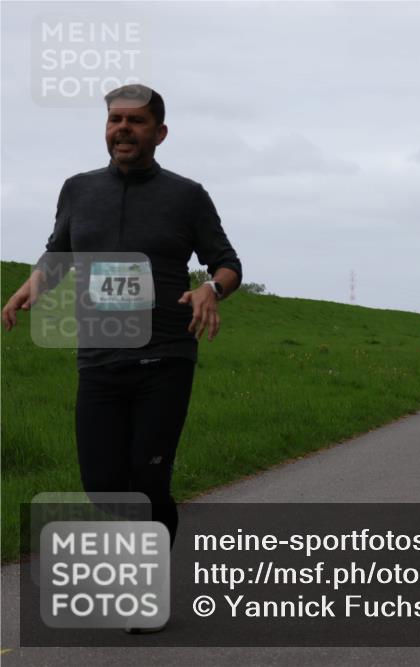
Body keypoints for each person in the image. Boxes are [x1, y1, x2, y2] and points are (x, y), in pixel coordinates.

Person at [2, 85, 242, 592]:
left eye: (135, 121)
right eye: (115, 120)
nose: (122, 129)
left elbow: (227, 262)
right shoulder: (78, 189)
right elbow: (58, 253)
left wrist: (210, 290)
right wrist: (32, 285)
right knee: (103, 484)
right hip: (98, 356)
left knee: (148, 479)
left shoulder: (187, 195)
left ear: (160, 132)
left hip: (165, 355)